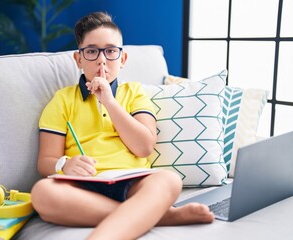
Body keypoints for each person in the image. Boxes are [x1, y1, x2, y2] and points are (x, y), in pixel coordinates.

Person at [31, 11, 214, 240]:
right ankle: (161, 216)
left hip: (133, 182)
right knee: (41, 193)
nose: (101, 60)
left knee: (169, 180)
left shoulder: (135, 93)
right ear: (79, 59)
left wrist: (109, 100)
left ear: (122, 59)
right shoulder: (62, 100)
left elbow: (144, 147)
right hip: (83, 188)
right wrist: (64, 165)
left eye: (110, 51)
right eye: (91, 51)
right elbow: (45, 161)